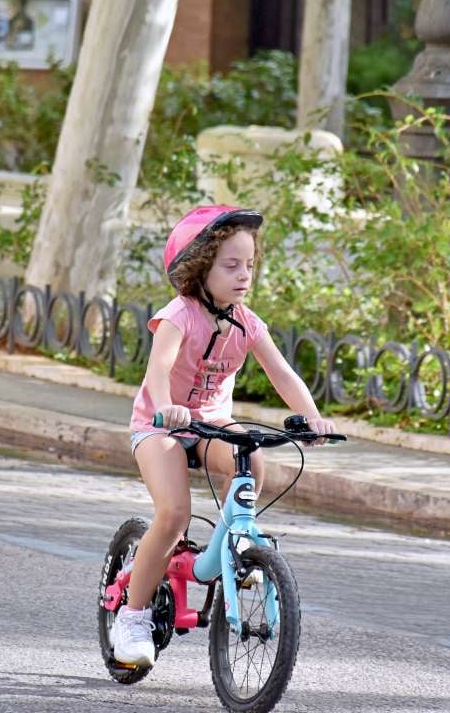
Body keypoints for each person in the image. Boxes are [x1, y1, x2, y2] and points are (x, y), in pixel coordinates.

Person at [109, 205, 337, 667]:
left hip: (211, 423)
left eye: (249, 265)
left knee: (252, 460)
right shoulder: (180, 315)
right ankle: (132, 616)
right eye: (231, 266)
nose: (244, 275)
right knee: (174, 514)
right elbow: (158, 370)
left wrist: (312, 417)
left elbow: (283, 374)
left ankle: (236, 542)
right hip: (160, 425)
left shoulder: (247, 323)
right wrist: (165, 406)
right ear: (200, 269)